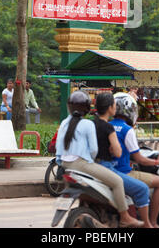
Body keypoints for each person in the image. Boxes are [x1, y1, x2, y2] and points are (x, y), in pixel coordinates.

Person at [55, 90, 142, 228]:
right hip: (82, 165)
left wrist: (61, 163)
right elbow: (94, 150)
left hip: (66, 166)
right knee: (118, 181)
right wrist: (92, 161)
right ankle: (125, 217)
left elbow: (58, 149)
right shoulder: (88, 124)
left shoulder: (64, 123)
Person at [94, 92, 152, 228]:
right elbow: (119, 153)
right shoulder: (110, 127)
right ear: (109, 108)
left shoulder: (91, 124)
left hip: (92, 165)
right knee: (142, 189)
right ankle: (142, 223)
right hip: (107, 167)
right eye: (114, 105)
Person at [111, 92, 159, 228]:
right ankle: (152, 223)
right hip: (123, 173)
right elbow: (139, 159)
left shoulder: (106, 125)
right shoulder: (127, 130)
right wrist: (156, 162)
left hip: (107, 170)